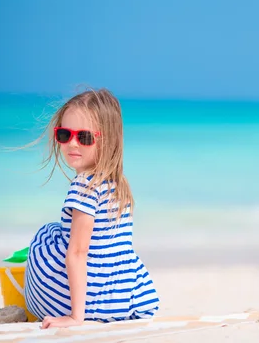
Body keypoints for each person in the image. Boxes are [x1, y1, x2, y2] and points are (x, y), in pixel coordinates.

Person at [23, 88, 159, 328]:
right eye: (64, 134)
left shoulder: (84, 186)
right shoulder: (120, 185)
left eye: (84, 137)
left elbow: (78, 252)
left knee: (46, 234)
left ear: (107, 140)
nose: (72, 143)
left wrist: (76, 317)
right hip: (120, 300)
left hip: (83, 301)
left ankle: (74, 309)